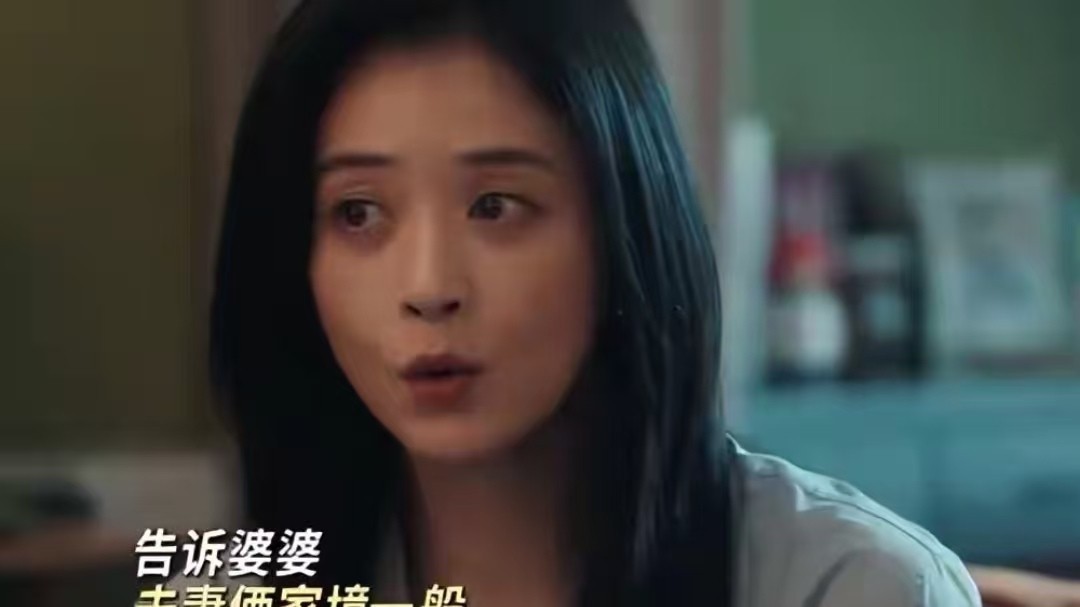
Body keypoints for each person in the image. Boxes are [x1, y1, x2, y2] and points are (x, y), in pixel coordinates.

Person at [208, 0, 981, 604]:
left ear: (622, 224)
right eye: (358, 213)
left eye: (495, 206)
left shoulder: (857, 589)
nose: (429, 287)